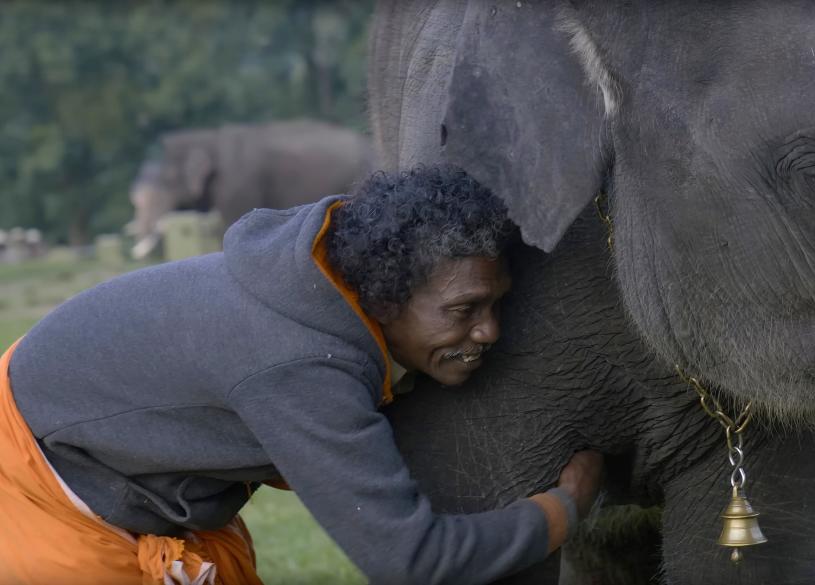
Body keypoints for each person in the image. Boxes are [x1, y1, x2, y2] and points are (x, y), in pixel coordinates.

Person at [0, 164, 603, 585]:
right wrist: (562, 509)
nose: (489, 331)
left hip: (85, 437)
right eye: (464, 310)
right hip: (36, 486)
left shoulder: (324, 280)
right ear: (387, 298)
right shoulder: (303, 365)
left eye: (496, 305)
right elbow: (410, 562)